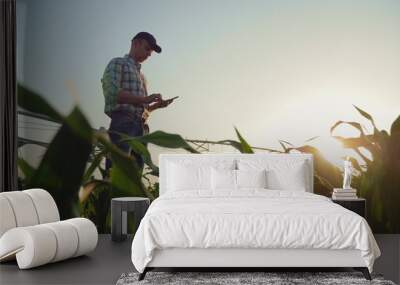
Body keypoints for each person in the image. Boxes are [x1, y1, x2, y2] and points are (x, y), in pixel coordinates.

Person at [101, 32, 173, 171]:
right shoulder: (117, 63)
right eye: (147, 49)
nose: (149, 54)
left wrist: (156, 106)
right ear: (136, 43)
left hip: (141, 128)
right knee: (118, 171)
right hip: (123, 122)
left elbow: (142, 107)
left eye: (151, 51)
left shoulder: (142, 77)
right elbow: (112, 93)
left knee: (135, 175)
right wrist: (145, 99)